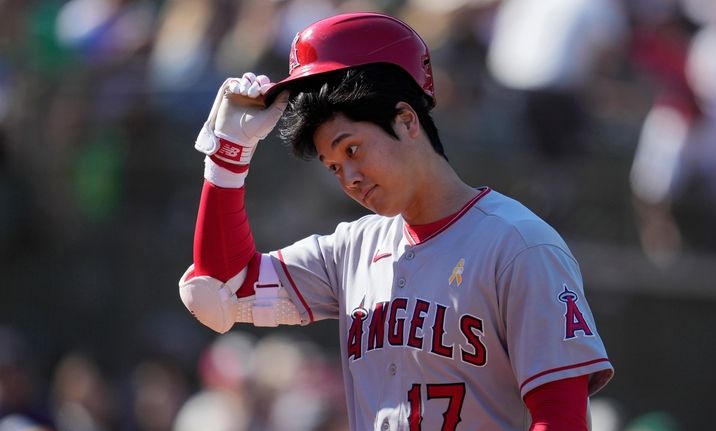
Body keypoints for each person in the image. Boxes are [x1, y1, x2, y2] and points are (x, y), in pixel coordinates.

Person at [179, 12, 613, 431]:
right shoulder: (351, 249)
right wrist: (227, 159)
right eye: (332, 167)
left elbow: (561, 417)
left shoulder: (519, 245)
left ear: (406, 120)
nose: (348, 177)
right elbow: (218, 289)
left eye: (351, 149)